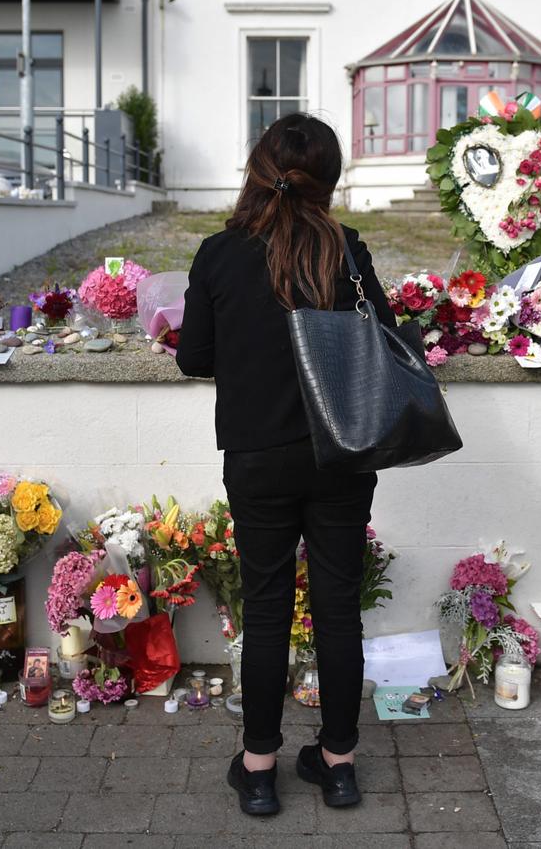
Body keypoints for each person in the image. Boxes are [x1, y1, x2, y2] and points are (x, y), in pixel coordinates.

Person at [176, 113, 397, 818]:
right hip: (341, 452)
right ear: (326, 179)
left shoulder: (219, 253)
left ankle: (261, 769)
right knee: (337, 609)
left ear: (256, 169)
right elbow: (385, 340)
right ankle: (337, 767)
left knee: (266, 609)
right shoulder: (348, 251)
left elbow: (193, 357)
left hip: (257, 455)